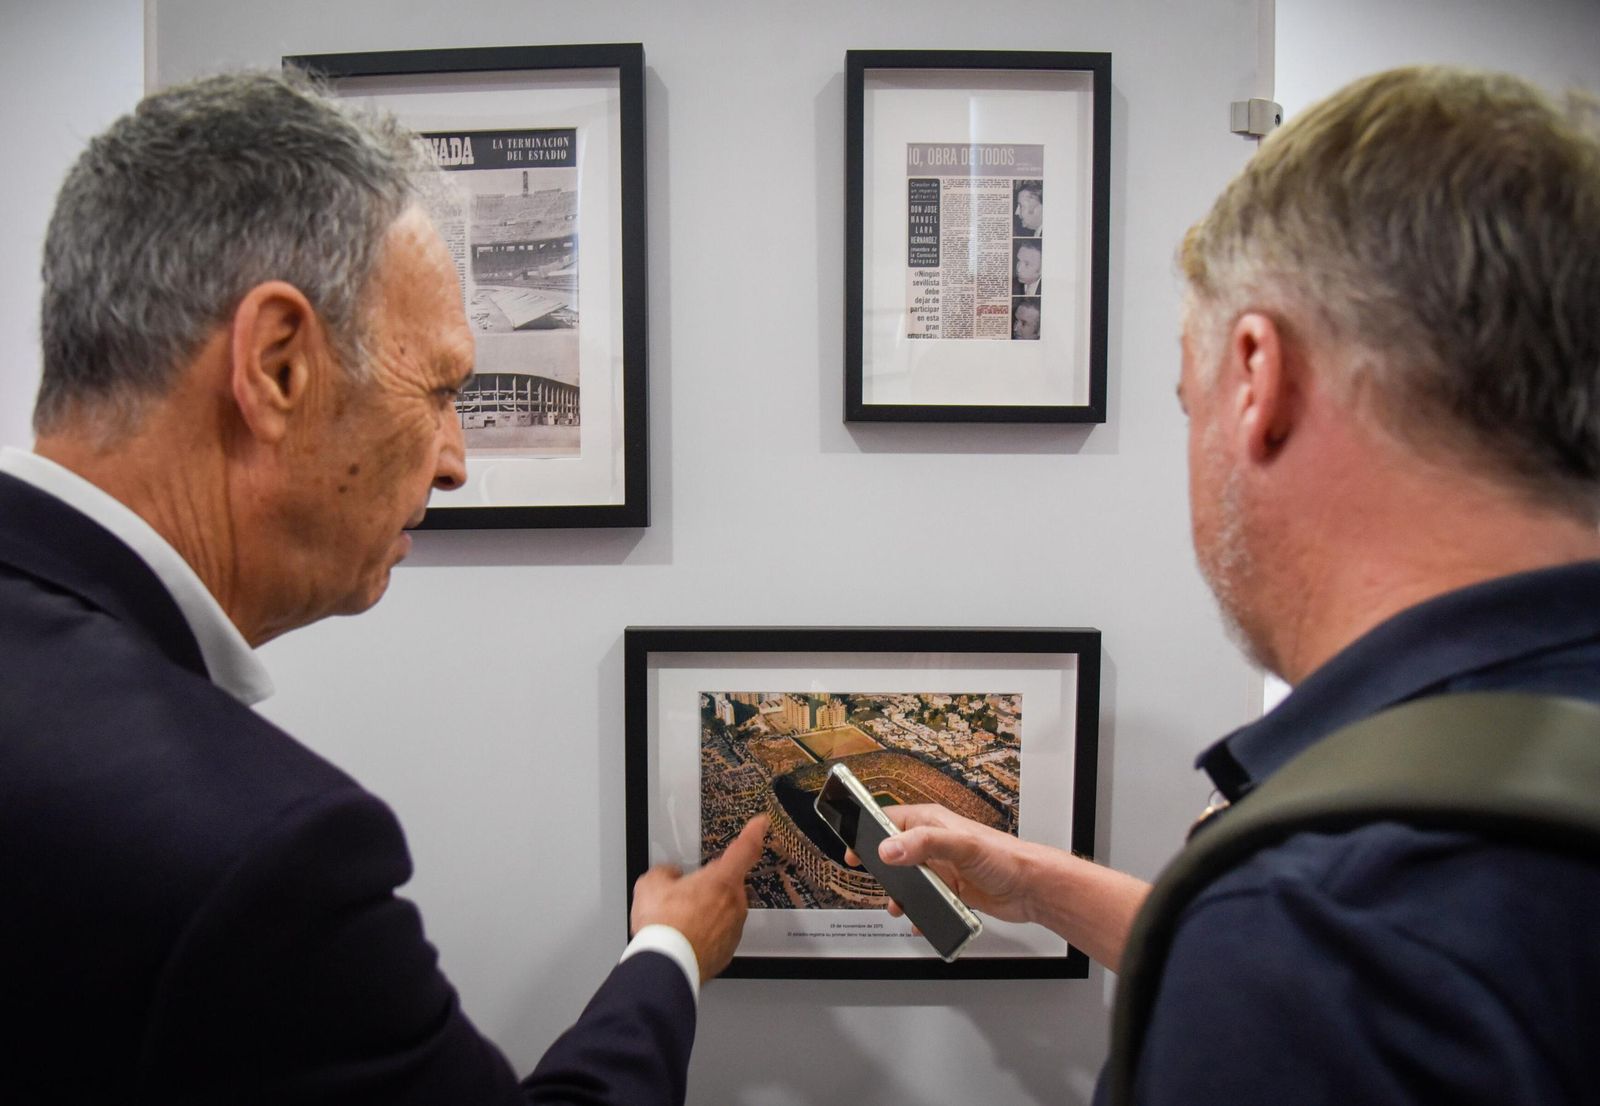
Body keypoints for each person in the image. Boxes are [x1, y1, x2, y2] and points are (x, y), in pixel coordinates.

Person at [0, 70, 768, 1105]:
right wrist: (668, 955)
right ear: (276, 366)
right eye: (441, 388)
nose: (453, 462)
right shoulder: (260, 855)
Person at [866, 66, 1600, 1103]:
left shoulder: (1320, 924)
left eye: (1185, 399)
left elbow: (1328, 959)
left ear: (1257, 379)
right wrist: (1037, 883)